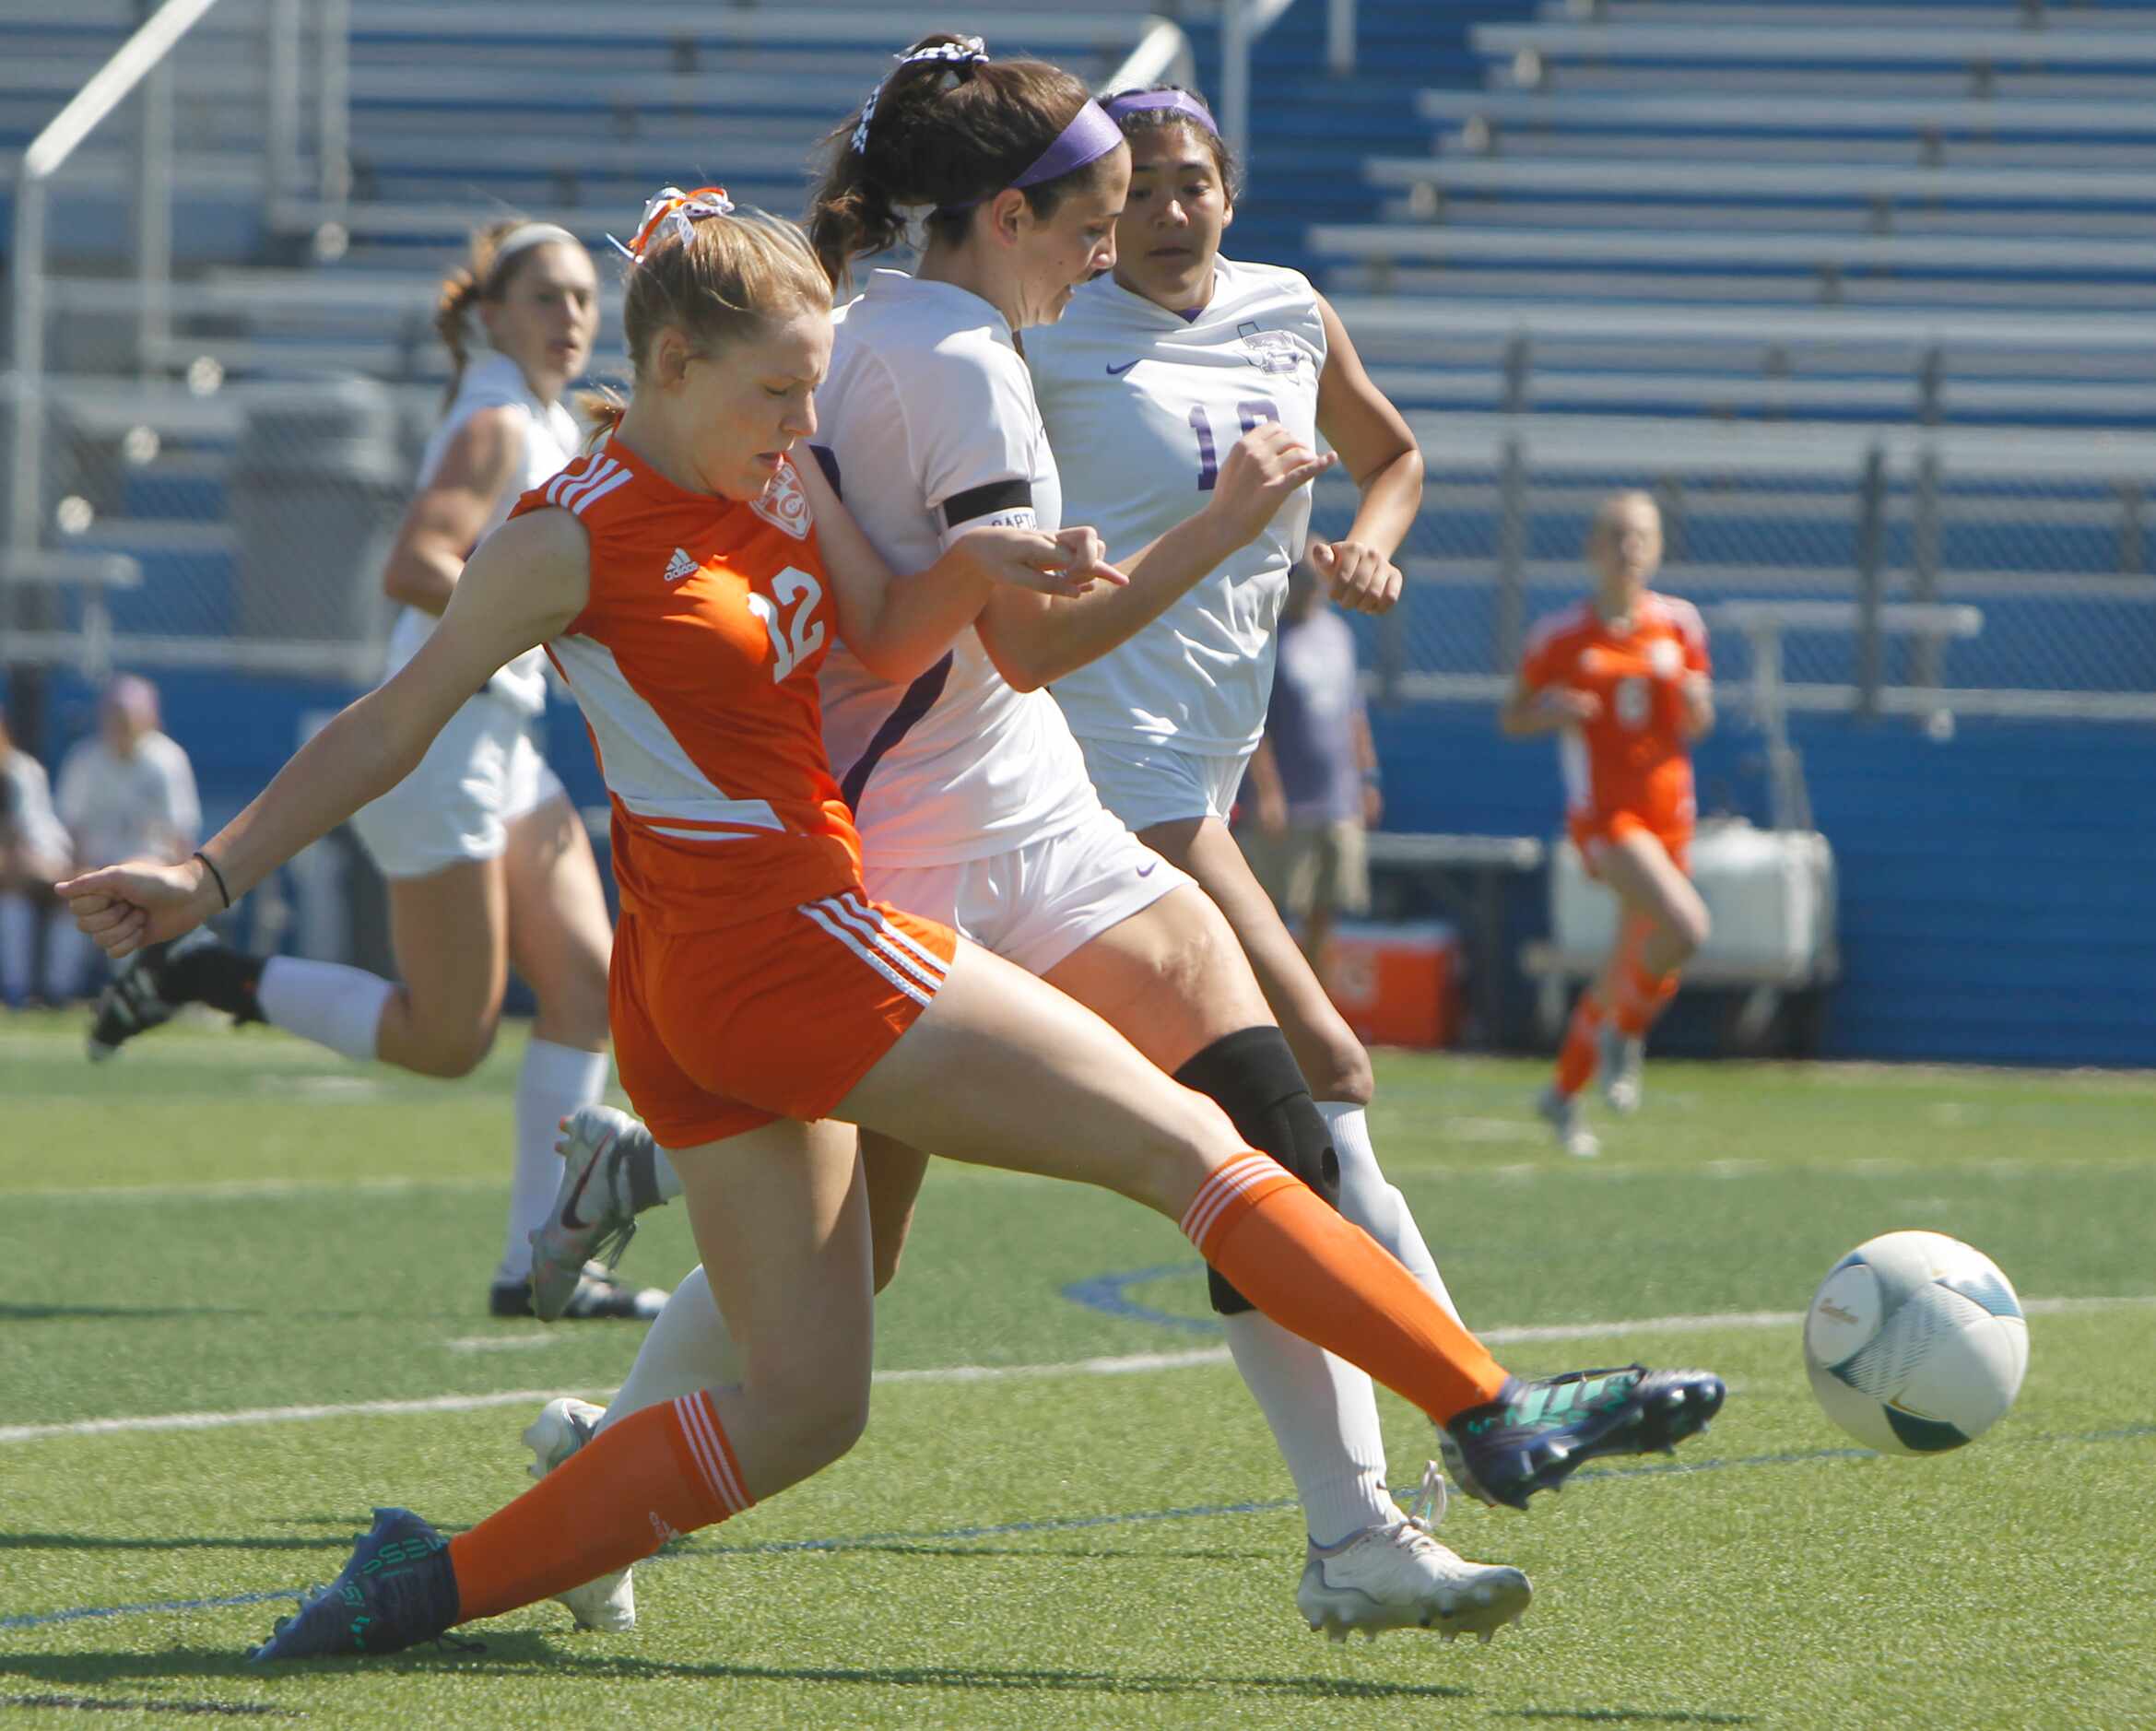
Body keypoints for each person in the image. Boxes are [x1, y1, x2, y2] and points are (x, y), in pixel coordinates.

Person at [60, 187, 1723, 1665]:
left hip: (710, 985)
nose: (799, 423)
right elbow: (390, 717)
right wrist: (210, 873)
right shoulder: (571, 528)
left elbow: (877, 618)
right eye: (774, 390)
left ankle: (417, 1586)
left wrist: (995, 555)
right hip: (790, 944)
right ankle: (1492, 1411)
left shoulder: (774, 488)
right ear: (669, 363)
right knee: (1198, 1143)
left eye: (809, 390)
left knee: (801, 1407)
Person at [523, 52, 1666, 1646]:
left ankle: (1357, 1524)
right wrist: (1219, 525)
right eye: (1092, 219)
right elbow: (1030, 639)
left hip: (1026, 814)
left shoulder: (882, 330)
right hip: (926, 846)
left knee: (1272, 1118)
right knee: (872, 1251)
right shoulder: (964, 360)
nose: (1107, 248)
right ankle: (610, 1472)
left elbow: (932, 618)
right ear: (1005, 214)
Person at [82, 221, 648, 1320]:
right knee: (450, 1040)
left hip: (496, 739)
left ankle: (541, 1268)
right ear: (491, 317)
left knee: (588, 983)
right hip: (441, 745)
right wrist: (540, 624)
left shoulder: (536, 416)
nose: (574, 317)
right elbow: (416, 561)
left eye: (585, 298)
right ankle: (206, 976)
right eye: (547, 297)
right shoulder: (494, 419)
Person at [1500, 491, 1714, 1160]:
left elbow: (1697, 725)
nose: (1629, 550)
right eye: (1617, 537)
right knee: (1685, 926)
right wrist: (1552, 709)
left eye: (1641, 537)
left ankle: (1563, 1093)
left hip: (1669, 815)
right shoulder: (1561, 635)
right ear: (1593, 548)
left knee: (1632, 959)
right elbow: (1513, 716)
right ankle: (1626, 1032)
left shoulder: (1678, 625)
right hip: (1607, 820)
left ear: (1656, 548)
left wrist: (1692, 695)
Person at [1242, 560, 1384, 971]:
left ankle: (1315, 1012)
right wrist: (1268, 792)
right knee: (1272, 914)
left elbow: (1354, 713)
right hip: (1289, 805)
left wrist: (1368, 778)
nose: (1312, 583)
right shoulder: (1265, 638)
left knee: (1326, 915)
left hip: (1338, 801)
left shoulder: (1338, 635)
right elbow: (1253, 722)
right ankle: (1273, 1017)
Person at [48, 676, 198, 1004]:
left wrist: (177, 881)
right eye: (113, 715)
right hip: (93, 865)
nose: (119, 724)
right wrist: (78, 869)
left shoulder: (168, 761)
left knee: (129, 900)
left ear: (148, 719)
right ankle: (56, 993)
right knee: (74, 897)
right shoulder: (84, 758)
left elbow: (179, 837)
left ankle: (130, 994)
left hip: (148, 865)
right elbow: (70, 828)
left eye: (127, 717)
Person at [0, 715, 72, 1007]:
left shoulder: (20, 773)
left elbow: (25, 850)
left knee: (69, 895)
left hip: (40, 863)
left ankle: (42, 993)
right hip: (15, 872)